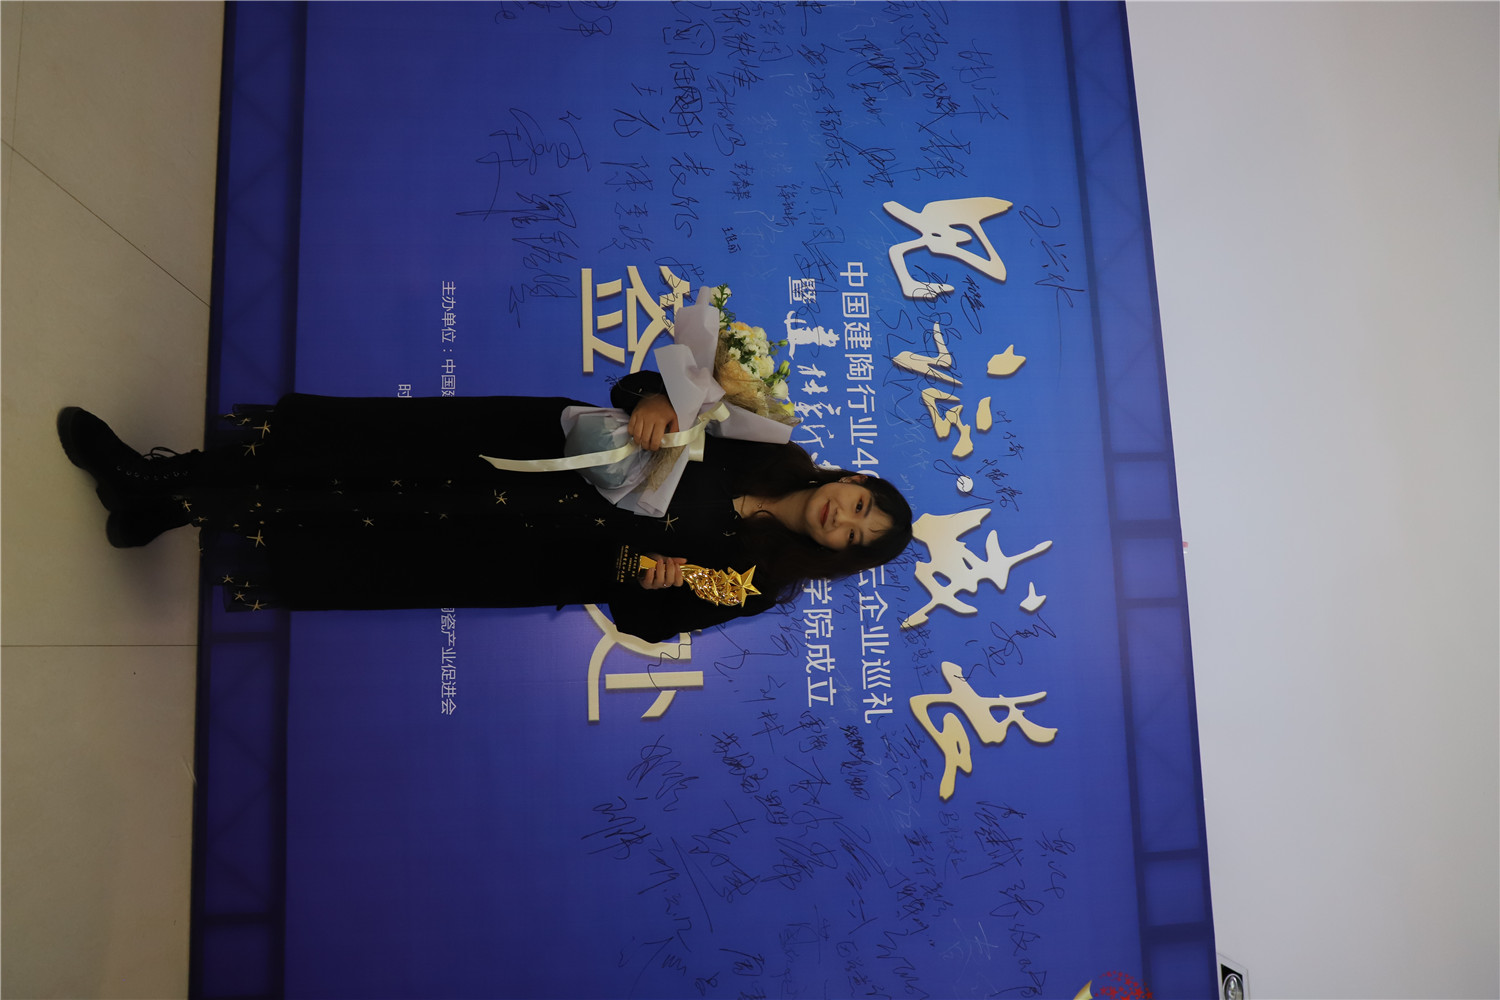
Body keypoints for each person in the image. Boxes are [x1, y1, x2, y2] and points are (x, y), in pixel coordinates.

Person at [57, 372, 913, 641]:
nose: (844, 517)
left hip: (527, 546)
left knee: (364, 532)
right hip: (525, 446)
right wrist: (657, 397)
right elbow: (640, 388)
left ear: (842, 554)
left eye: (857, 535)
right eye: (860, 503)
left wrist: (647, 577)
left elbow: (648, 623)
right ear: (851, 480)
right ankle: (163, 481)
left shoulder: (755, 584)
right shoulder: (764, 440)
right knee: (356, 457)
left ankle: (169, 505)